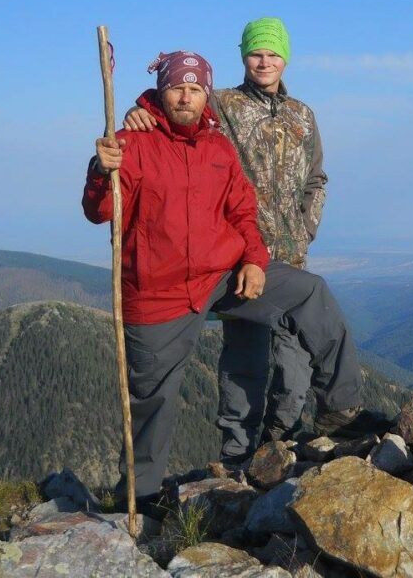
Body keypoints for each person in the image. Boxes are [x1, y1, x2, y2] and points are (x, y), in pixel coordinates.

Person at [84, 50, 365, 508]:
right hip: (160, 292)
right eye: (177, 87)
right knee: (153, 402)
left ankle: (342, 410)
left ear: (205, 95)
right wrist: (101, 171)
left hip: (224, 273)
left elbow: (240, 209)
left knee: (310, 293)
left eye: (195, 89)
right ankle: (140, 499)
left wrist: (254, 259)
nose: (186, 97)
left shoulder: (217, 146)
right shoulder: (131, 143)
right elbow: (100, 212)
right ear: (161, 89)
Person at [124, 18, 333, 463]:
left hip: (289, 257)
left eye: (273, 53)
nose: (265, 61)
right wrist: (137, 108)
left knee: (295, 362)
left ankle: (281, 451)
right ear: (244, 56)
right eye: (257, 52)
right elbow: (177, 105)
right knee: (245, 361)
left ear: (286, 58)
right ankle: (238, 456)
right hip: (237, 258)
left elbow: (316, 179)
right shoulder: (222, 104)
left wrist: (303, 227)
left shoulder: (303, 115)